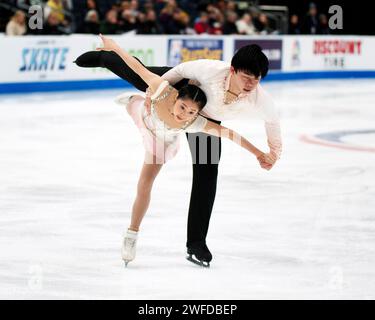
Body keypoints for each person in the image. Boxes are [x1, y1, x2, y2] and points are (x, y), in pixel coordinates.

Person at [74, 39, 282, 268]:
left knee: (207, 174)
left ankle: (196, 244)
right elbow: (181, 70)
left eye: (257, 79)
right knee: (140, 76)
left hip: (205, 119)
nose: (251, 84)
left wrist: (272, 152)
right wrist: (155, 94)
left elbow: (272, 122)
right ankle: (106, 57)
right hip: (179, 88)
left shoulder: (260, 99)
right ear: (232, 70)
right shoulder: (210, 69)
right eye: (246, 77)